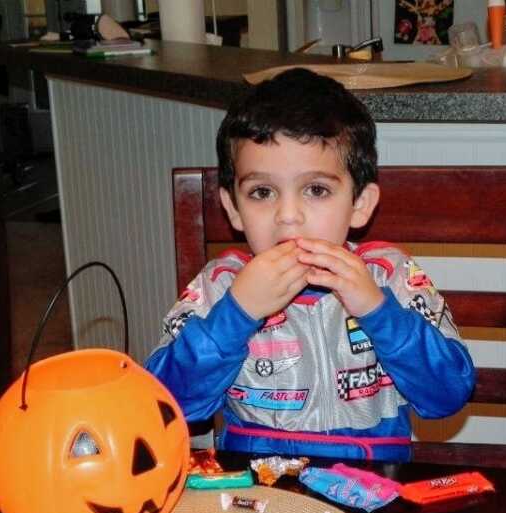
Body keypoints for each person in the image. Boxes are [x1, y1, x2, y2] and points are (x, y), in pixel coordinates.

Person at [145, 67, 474, 461]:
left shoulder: (393, 275)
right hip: (256, 495)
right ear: (233, 209)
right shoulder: (219, 287)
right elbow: (163, 406)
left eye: (316, 190)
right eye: (262, 192)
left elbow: (448, 394)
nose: (287, 215)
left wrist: (377, 310)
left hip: (373, 492)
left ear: (360, 204)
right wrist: (237, 313)